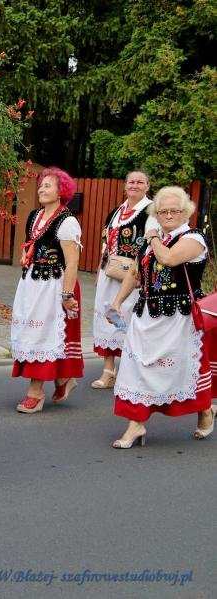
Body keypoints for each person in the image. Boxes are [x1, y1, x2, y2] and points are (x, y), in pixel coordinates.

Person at [107, 186, 216, 448]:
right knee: (136, 369)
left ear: (185, 212)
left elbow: (167, 258)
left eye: (174, 211)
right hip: (145, 315)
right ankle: (135, 424)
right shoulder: (151, 242)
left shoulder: (193, 238)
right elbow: (134, 273)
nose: (167, 215)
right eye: (162, 211)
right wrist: (117, 302)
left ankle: (204, 410)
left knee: (184, 369)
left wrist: (153, 236)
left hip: (180, 317)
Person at [11, 167, 84, 413]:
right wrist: (25, 254)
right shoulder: (35, 215)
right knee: (33, 332)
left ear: (61, 192)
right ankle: (63, 378)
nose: (41, 189)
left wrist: (67, 295)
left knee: (42, 335)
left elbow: (72, 262)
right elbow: (30, 243)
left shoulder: (68, 221)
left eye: (48, 186)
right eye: (41, 185)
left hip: (54, 285)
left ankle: (36, 393)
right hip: (32, 283)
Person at [91, 170, 155, 388]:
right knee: (106, 318)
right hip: (109, 272)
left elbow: (152, 245)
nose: (134, 185)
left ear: (147, 186)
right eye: (131, 182)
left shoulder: (151, 211)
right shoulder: (117, 211)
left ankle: (133, 371)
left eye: (140, 182)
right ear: (125, 185)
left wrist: (142, 274)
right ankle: (109, 371)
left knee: (129, 320)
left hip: (133, 276)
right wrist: (99, 270)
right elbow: (105, 242)